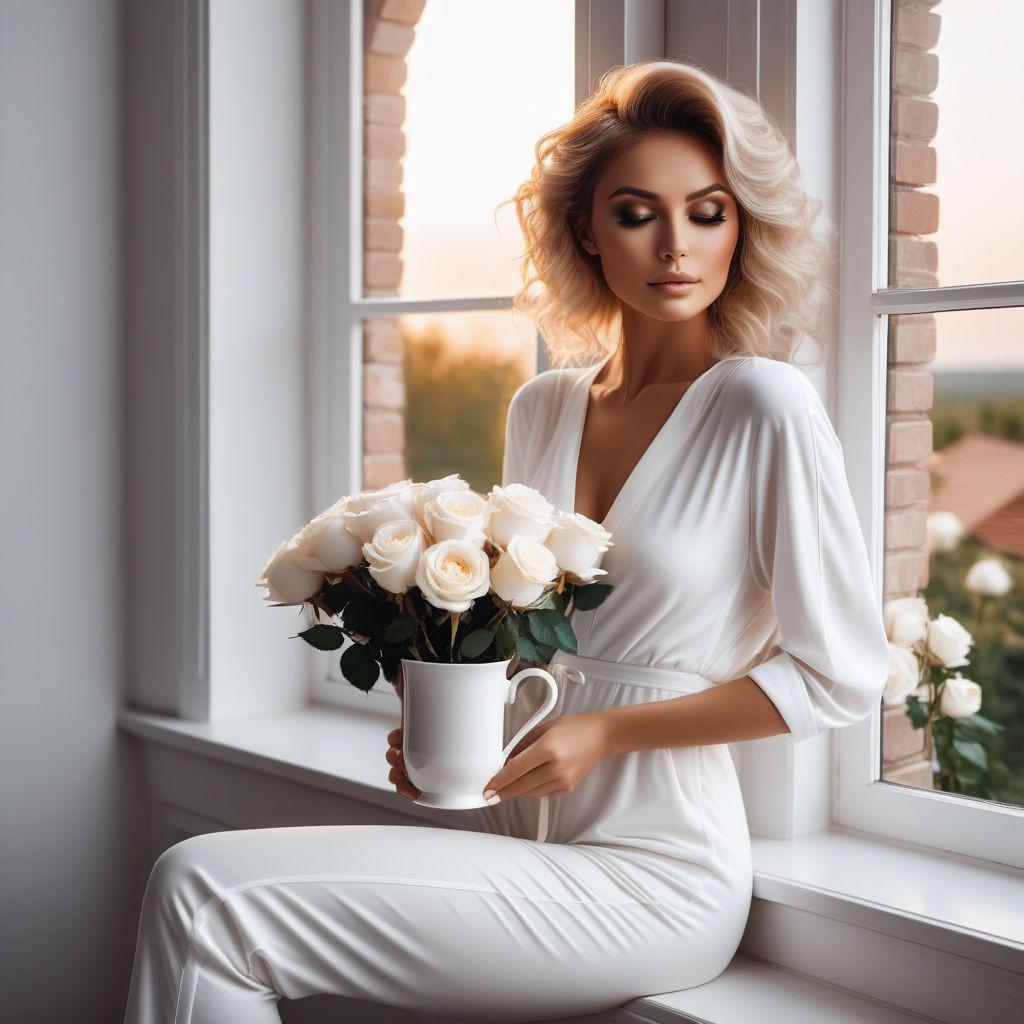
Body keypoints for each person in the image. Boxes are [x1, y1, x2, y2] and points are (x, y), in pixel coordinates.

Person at [124, 59, 889, 1024]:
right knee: (196, 888)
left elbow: (843, 676)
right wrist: (451, 726)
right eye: (636, 211)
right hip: (512, 835)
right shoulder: (545, 406)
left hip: (656, 874)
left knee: (205, 893)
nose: (677, 246)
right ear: (586, 229)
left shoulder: (762, 403)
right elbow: (533, 638)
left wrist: (606, 730)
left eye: (708, 211)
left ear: (742, 226)